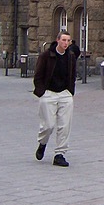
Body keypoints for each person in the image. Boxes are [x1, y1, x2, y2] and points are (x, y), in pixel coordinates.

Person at [33, 31, 77, 167]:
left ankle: (60, 154)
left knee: (65, 125)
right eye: (63, 40)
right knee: (48, 125)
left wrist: (70, 91)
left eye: (68, 40)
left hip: (65, 93)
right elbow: (38, 75)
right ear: (57, 40)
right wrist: (42, 92)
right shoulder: (46, 56)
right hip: (49, 93)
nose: (66, 43)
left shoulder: (70, 56)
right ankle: (42, 143)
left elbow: (73, 74)